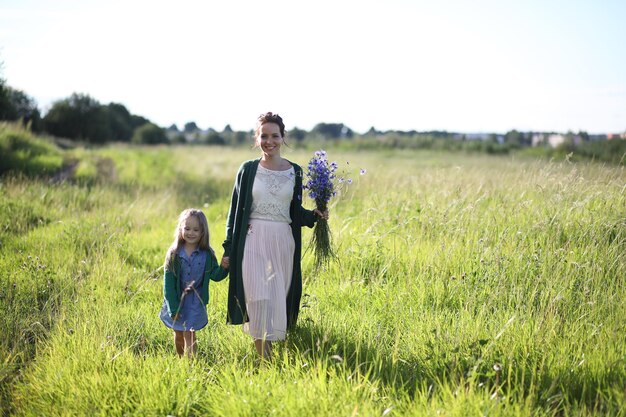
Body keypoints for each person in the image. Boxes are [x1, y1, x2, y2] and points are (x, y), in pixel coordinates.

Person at [222, 112, 328, 360]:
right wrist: (228, 248)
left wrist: (315, 215)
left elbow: (294, 212)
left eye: (275, 136)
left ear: (283, 137)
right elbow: (234, 211)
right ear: (256, 138)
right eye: (264, 136)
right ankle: (264, 361)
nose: (269, 141)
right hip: (253, 239)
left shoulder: (295, 172)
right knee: (258, 298)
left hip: (283, 242)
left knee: (276, 299)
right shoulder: (247, 170)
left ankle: (273, 354)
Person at [159, 208, 229, 358]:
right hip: (177, 300)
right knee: (178, 334)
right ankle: (180, 358)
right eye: (187, 228)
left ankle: (191, 364)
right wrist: (173, 307)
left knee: (190, 334)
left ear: (203, 232)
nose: (191, 233)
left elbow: (215, 275)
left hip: (195, 301)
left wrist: (224, 267)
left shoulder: (207, 254)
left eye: (196, 229)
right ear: (181, 229)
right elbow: (169, 285)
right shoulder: (174, 254)